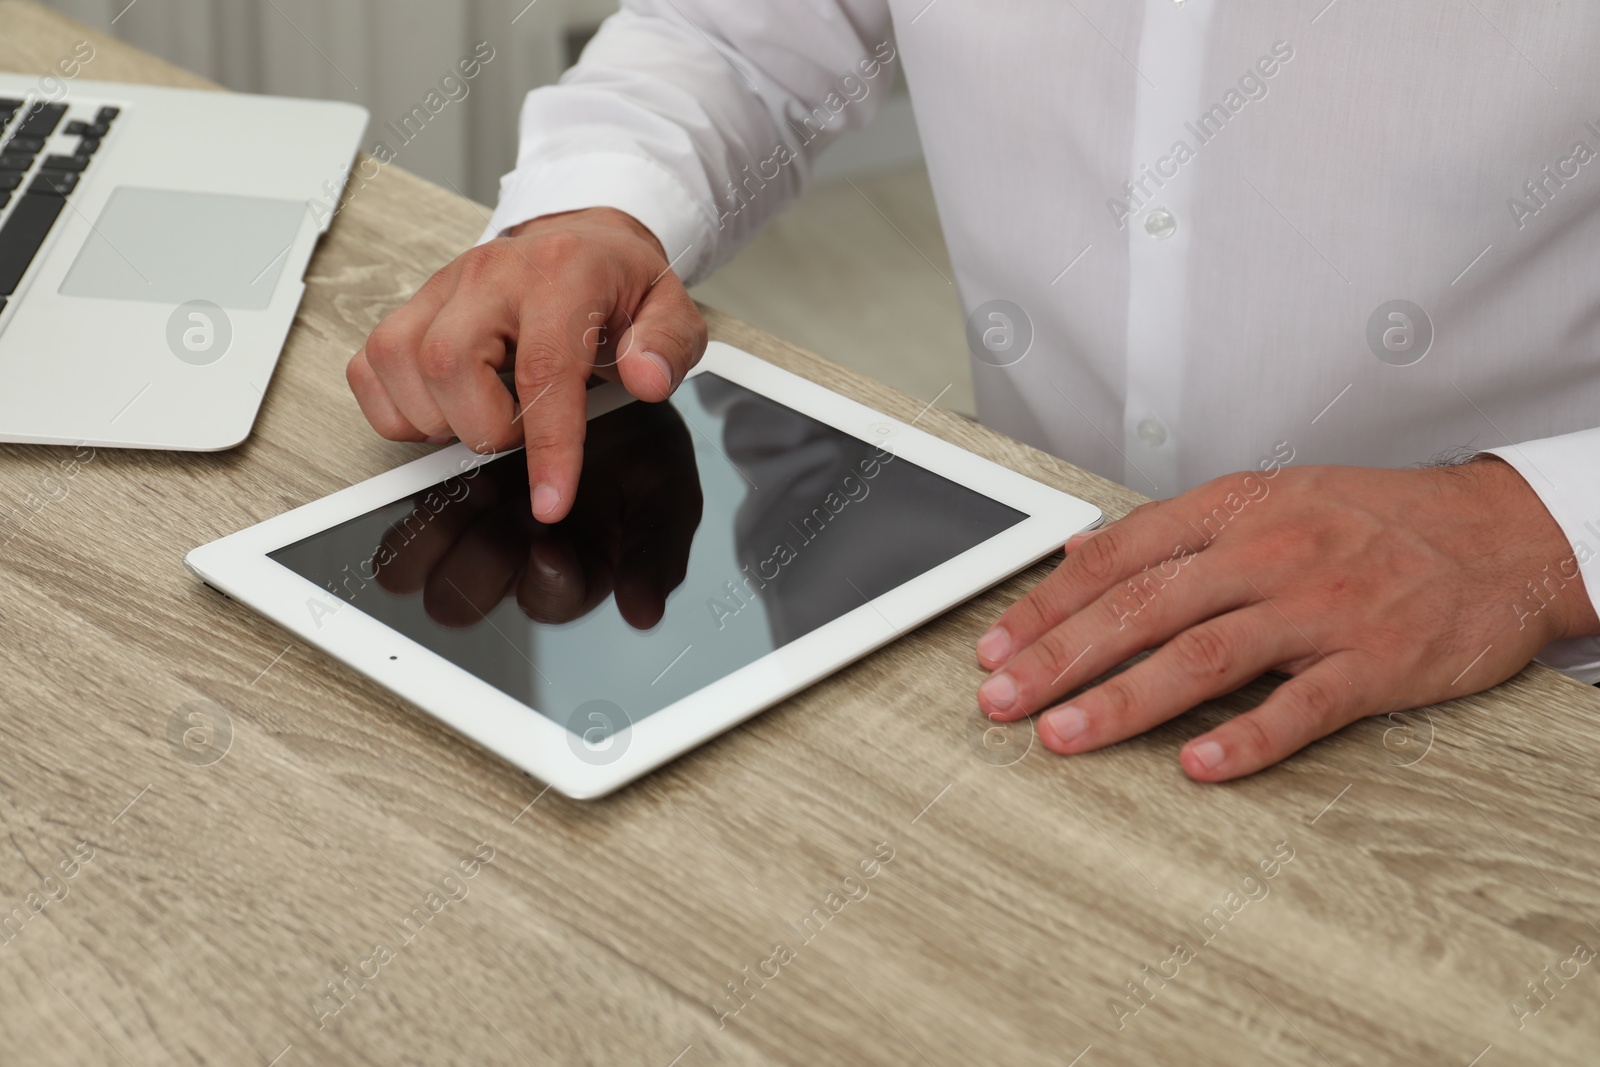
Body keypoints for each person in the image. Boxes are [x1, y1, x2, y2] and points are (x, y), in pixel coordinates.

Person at [345, 2, 1600, 782]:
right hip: (1041, 615)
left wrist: (1538, 534)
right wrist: (596, 208)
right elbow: (737, 34)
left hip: (1515, 699)